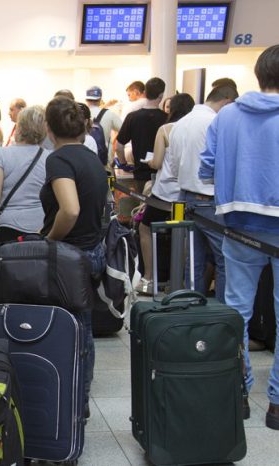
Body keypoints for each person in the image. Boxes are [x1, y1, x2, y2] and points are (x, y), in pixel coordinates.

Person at [198, 44, 279, 429]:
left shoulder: (226, 115)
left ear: (259, 74)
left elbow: (206, 167)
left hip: (236, 222)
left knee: (236, 312)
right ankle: (277, 405)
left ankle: (239, 391)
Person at [40, 97, 109, 419]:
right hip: (92, 249)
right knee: (83, 326)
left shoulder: (59, 159)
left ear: (49, 128)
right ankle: (79, 395)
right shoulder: (91, 157)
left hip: (70, 255)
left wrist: (49, 240)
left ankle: (74, 401)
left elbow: (70, 209)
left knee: (71, 329)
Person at [174, 84, 238, 300]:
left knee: (193, 261)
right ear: (228, 101)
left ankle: (193, 312)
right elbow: (223, 163)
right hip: (209, 198)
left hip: (185, 198)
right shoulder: (215, 122)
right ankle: (221, 314)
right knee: (224, 260)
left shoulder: (180, 123)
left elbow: (173, 167)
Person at [135, 93, 195, 295]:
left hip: (164, 194)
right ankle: (177, 280)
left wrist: (150, 162)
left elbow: (158, 162)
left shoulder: (165, 129)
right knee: (184, 235)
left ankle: (149, 277)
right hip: (186, 194)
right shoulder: (197, 130)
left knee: (145, 229)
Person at [0, 105, 49, 248]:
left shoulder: (2, 155)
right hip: (41, 226)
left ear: (20, 126)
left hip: (9, 226)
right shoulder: (49, 158)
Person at [115, 77, 168, 193]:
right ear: (161, 95)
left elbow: (119, 146)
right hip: (163, 174)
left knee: (142, 207)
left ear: (145, 92)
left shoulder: (132, 117)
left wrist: (124, 164)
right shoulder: (167, 119)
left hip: (140, 173)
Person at [85, 86, 122, 165]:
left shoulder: (79, 113)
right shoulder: (109, 114)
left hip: (84, 158)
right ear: (100, 99)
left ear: (86, 99)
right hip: (104, 159)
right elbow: (124, 130)